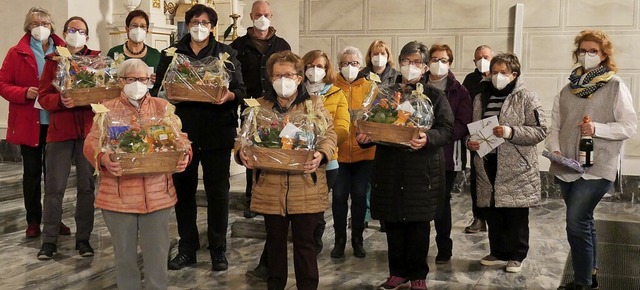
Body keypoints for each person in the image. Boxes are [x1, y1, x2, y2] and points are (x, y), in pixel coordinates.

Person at [150, 4, 246, 272]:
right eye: (194, 21)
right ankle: (187, 247)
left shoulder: (225, 54)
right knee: (184, 192)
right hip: (182, 134)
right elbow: (161, 89)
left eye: (205, 22)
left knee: (218, 193)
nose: (199, 26)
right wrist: (171, 93)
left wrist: (227, 96)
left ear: (213, 26)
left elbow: (239, 89)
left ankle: (218, 249)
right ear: (187, 24)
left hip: (217, 132)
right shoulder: (172, 53)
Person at [83, 59, 192, 290]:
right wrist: (102, 158)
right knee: (124, 259)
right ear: (121, 82)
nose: (137, 84)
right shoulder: (106, 108)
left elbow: (180, 139)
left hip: (158, 195)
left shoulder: (163, 107)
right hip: (118, 197)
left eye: (142, 79)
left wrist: (184, 155)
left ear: (149, 81)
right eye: (131, 79)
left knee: (158, 257)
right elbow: (91, 142)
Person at [245, 49, 350, 281]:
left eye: (289, 75)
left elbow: (329, 134)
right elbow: (243, 138)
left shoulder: (314, 105)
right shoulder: (259, 107)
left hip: (306, 185)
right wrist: (240, 153)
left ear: (299, 78)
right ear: (270, 78)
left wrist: (322, 153)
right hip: (270, 187)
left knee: (305, 245)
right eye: (277, 76)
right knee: (274, 245)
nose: (283, 81)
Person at [549, 30, 637, 290]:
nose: (587, 55)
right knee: (584, 220)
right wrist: (554, 150)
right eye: (583, 51)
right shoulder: (567, 89)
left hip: (598, 166)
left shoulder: (615, 85)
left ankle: (583, 282)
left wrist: (598, 128)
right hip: (566, 164)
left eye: (593, 51)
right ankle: (592, 269)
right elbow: (555, 126)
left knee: (575, 222)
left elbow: (629, 126)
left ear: (603, 55)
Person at [363, 40, 453, 290]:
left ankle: (418, 275)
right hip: (390, 169)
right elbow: (373, 123)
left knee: (417, 226)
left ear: (425, 68)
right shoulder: (386, 93)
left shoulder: (435, 96)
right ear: (399, 63)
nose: (411, 67)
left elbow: (446, 129)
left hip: (420, 171)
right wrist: (365, 138)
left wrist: (428, 138)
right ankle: (397, 272)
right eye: (406, 62)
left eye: (416, 63)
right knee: (393, 224)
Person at [467, 52, 547, 273]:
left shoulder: (527, 97)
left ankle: (516, 255)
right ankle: (498, 251)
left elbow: (540, 131)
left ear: (514, 74)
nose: (497, 77)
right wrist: (470, 142)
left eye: (503, 73)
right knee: (493, 210)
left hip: (516, 165)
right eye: (494, 72)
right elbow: (473, 129)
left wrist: (510, 131)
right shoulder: (481, 97)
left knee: (515, 213)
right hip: (487, 161)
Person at [36, 16, 100, 259]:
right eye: (72, 30)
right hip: (59, 133)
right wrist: (60, 100)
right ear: (64, 33)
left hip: (88, 133)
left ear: (87, 36)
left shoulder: (95, 60)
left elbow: (106, 92)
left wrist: (94, 97)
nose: (77, 34)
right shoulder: (53, 61)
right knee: (54, 188)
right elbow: (43, 96)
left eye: (81, 31)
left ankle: (83, 239)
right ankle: (49, 240)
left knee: (87, 187)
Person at [0, 7, 66, 238]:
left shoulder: (63, 51)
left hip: (57, 121)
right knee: (32, 173)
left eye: (46, 24)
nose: (41, 28)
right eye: (36, 24)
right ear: (28, 27)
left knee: (55, 175)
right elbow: (3, 84)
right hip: (30, 121)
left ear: (51, 27)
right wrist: (23, 92)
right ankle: (33, 220)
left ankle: (55, 220)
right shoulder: (16, 52)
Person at [230, 0, 291, 219]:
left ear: (271, 16)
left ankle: (273, 197)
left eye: (265, 14)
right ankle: (252, 199)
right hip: (250, 107)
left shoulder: (282, 44)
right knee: (250, 150)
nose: (262, 18)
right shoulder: (238, 45)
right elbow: (233, 77)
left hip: (277, 105)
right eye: (258, 14)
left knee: (275, 147)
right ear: (251, 16)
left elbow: (289, 72)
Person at [426, 43, 472, 264]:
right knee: (420, 202)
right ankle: (419, 246)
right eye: (434, 59)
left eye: (443, 60)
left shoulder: (459, 90)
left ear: (450, 63)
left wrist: (440, 135)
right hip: (419, 152)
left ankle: (444, 246)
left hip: (447, 153)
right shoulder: (419, 84)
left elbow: (464, 122)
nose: (438, 63)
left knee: (441, 201)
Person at [331, 46, 375, 259]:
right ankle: (339, 240)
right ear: (339, 66)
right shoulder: (331, 87)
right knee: (339, 196)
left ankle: (358, 239)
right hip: (337, 153)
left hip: (363, 152)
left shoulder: (371, 87)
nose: (350, 67)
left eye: (355, 63)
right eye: (346, 63)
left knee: (359, 195)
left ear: (361, 65)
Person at [360, 40, 397, 232]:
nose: (378, 57)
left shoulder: (396, 76)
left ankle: (384, 217)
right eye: (375, 53)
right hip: (368, 129)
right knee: (367, 177)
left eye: (382, 53)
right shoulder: (362, 75)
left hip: (389, 131)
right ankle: (365, 215)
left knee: (384, 178)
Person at [461, 44, 493, 234]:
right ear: (474, 61)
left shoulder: (500, 77)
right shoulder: (470, 80)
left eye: (486, 56)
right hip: (477, 134)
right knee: (477, 179)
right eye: (479, 57)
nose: (483, 60)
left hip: (498, 132)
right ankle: (479, 218)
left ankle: (496, 219)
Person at [106, 10, 161, 84]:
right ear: (127, 29)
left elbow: (162, 83)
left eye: (142, 26)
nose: (138, 30)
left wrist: (158, 80)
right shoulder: (115, 52)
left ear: (147, 31)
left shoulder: (155, 55)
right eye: (134, 26)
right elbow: (107, 80)